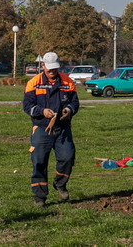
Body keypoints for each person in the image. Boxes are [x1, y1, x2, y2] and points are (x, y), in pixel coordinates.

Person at [23, 52, 80, 207]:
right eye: (49, 68)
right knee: (39, 162)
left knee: (68, 157)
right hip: (42, 128)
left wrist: (68, 110)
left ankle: (60, 184)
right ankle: (40, 196)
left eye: (55, 68)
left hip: (62, 129)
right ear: (43, 66)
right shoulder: (33, 83)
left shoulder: (68, 82)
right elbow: (27, 106)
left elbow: (75, 102)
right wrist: (42, 111)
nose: (52, 71)